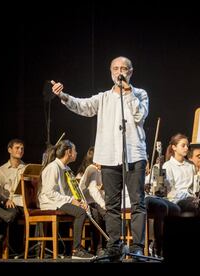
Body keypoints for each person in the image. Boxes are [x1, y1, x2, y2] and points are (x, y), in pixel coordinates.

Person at [51, 56, 148, 260]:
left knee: (138, 203)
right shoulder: (103, 97)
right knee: (112, 204)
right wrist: (64, 96)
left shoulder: (140, 94)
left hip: (134, 156)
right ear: (110, 72)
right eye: (115, 68)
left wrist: (128, 92)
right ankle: (115, 244)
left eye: (123, 68)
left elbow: (139, 116)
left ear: (130, 72)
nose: (119, 72)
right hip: (109, 157)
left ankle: (137, 247)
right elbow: (83, 106)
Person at [38, 140, 94, 259]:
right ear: (69, 152)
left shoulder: (67, 169)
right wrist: (71, 200)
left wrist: (78, 201)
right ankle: (76, 249)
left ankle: (95, 248)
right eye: (75, 151)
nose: (77, 153)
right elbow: (49, 192)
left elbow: (70, 191)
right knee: (80, 212)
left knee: (91, 211)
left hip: (62, 200)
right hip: (51, 202)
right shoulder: (53, 167)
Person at [162, 133, 200, 216]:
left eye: (187, 145)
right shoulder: (167, 166)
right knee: (190, 210)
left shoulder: (191, 165)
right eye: (183, 146)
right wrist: (188, 197)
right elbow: (170, 191)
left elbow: (195, 188)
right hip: (177, 200)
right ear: (174, 147)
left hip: (193, 198)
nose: (186, 148)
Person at [0, 138, 26, 254]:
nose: (20, 150)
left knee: (42, 213)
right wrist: (6, 199)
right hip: (9, 203)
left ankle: (37, 249)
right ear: (9, 150)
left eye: (22, 148)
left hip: (24, 203)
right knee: (11, 213)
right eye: (17, 148)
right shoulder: (0, 170)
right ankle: (1, 241)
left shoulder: (26, 168)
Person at [77, 147, 107, 256]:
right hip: (86, 202)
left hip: (95, 202)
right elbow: (93, 190)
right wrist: (103, 205)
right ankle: (99, 247)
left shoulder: (98, 170)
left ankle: (104, 246)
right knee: (98, 213)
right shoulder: (92, 169)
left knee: (104, 213)